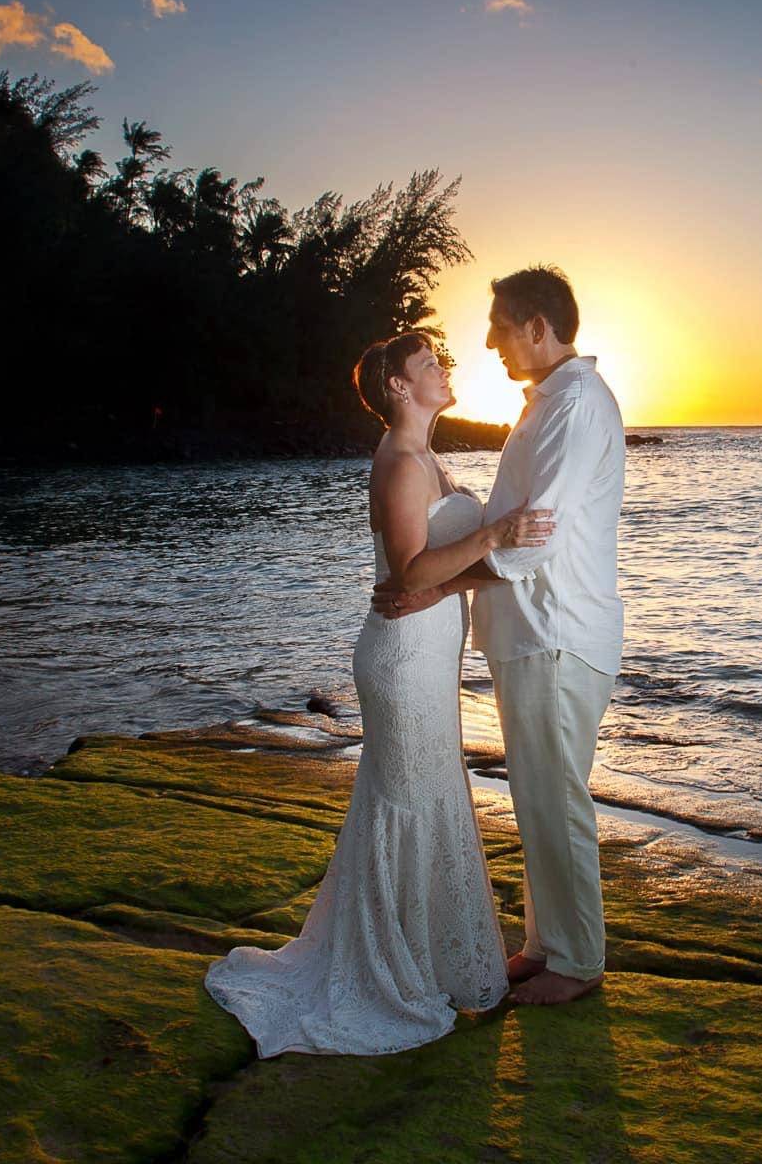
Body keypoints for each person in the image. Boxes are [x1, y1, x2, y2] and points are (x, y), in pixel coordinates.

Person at [204, 330, 554, 1057]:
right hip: (401, 658)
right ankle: (390, 974)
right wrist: (494, 537)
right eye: (427, 363)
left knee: (427, 795)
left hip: (427, 649)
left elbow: (427, 578)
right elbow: (409, 575)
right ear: (397, 386)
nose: (441, 368)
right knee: (409, 801)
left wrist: (503, 555)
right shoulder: (398, 462)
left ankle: (428, 962)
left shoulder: (428, 456)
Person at [375, 266, 626, 1008]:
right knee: (540, 796)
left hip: (556, 630)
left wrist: (442, 585)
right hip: (533, 630)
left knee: (555, 797)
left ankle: (577, 963)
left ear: (537, 328)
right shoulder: (549, 405)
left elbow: (531, 539)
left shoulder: (574, 407)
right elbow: (516, 526)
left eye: (498, 325)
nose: (487, 341)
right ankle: (547, 946)